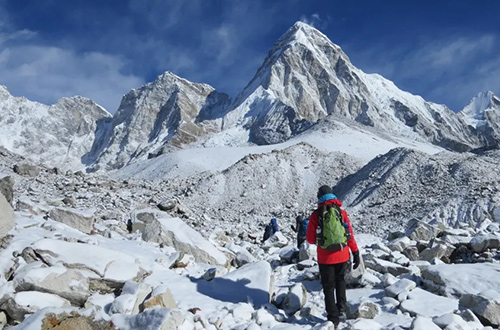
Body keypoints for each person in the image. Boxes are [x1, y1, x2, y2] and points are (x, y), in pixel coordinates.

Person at [307, 185, 360, 327]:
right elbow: (349, 235)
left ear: (319, 197)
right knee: (340, 281)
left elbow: (311, 240)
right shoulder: (341, 212)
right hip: (343, 255)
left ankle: (333, 318)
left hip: (325, 258)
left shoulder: (315, 215)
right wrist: (355, 252)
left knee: (328, 287)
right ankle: (342, 309)